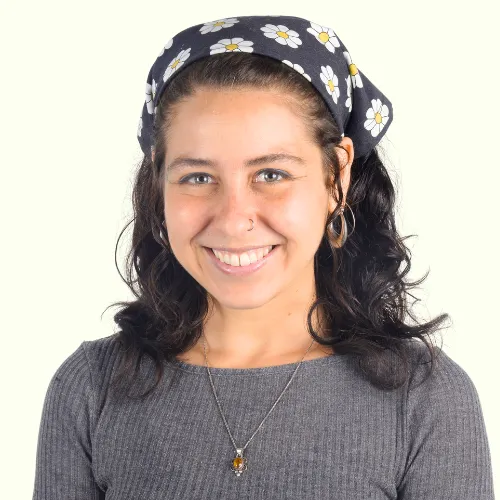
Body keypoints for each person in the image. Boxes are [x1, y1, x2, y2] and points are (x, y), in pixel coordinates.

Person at [32, 14, 495, 499]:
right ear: (158, 182)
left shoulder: (424, 400)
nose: (233, 219)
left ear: (335, 176)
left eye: (271, 174)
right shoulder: (91, 388)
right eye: (197, 176)